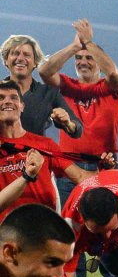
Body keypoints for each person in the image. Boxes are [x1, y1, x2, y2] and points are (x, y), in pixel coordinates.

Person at [37, 19, 118, 277]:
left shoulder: (110, 88)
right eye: (79, 59)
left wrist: (90, 43)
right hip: (68, 167)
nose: (84, 61)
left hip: (104, 166)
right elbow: (45, 69)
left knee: (109, 227)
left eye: (89, 58)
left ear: (97, 61)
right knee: (69, 228)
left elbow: (113, 72)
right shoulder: (66, 87)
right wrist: (75, 45)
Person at [0, 81, 89, 216]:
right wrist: (27, 176)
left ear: (22, 106)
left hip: (45, 228)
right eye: (1, 98)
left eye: (13, 97)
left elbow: (81, 176)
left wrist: (108, 171)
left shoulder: (45, 144)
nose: (7, 101)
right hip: (8, 231)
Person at [0, 34, 83, 140]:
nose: (20, 58)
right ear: (6, 60)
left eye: (26, 55)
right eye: (15, 53)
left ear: (35, 62)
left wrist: (67, 123)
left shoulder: (49, 93)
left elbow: (77, 130)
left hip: (33, 154)